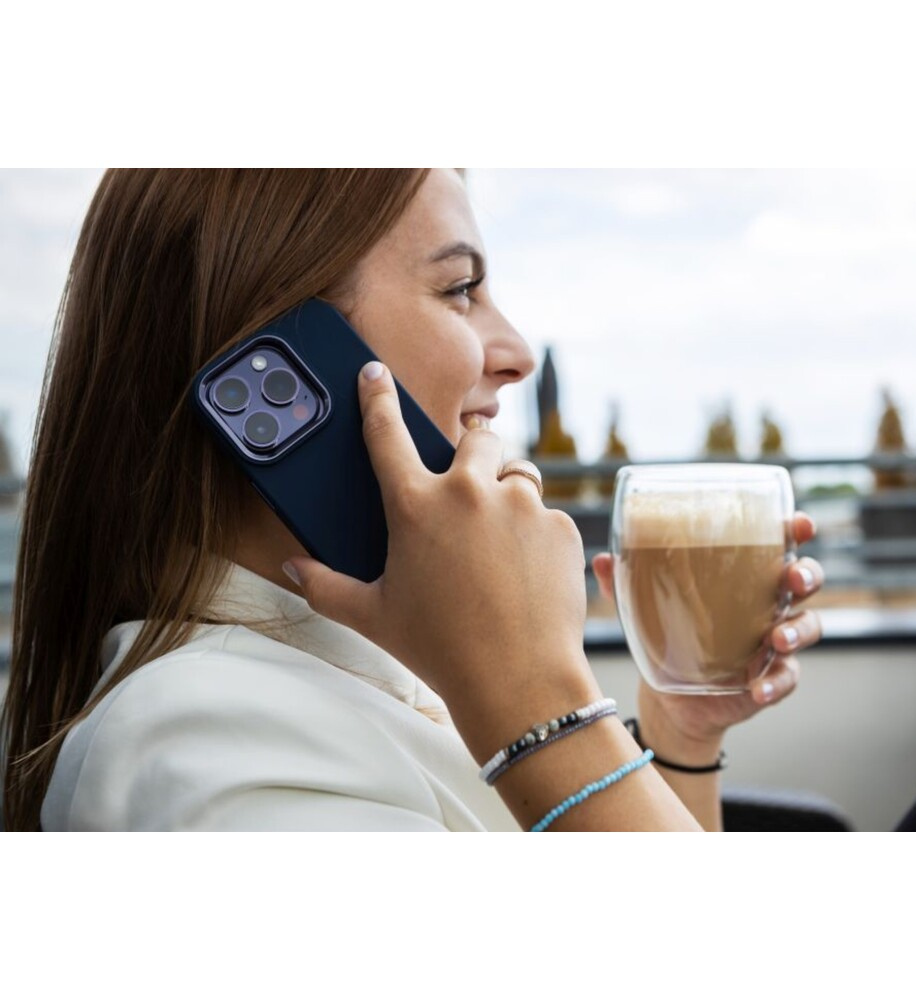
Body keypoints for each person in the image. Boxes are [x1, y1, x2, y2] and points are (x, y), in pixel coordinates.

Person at [1, 169, 824, 832]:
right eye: (460, 289)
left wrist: (678, 737)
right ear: (281, 356)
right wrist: (545, 701)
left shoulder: (375, 661)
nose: (517, 353)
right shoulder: (208, 750)